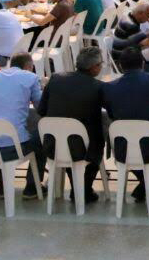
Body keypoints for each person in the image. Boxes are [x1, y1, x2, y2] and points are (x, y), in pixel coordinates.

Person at [102, 47, 149, 200]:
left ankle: (146, 184)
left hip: (123, 147)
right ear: (142, 64)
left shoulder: (109, 87)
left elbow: (112, 114)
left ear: (120, 66)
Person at [38, 48, 106, 203]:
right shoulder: (98, 86)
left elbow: (41, 110)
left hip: (52, 145)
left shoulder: (55, 79)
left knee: (70, 140)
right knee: (95, 141)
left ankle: (78, 187)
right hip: (82, 150)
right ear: (94, 67)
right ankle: (83, 189)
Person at [0, 53, 45, 197]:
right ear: (29, 66)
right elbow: (41, 107)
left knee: (1, 134)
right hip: (12, 148)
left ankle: (2, 187)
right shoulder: (31, 77)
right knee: (41, 138)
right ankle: (32, 187)